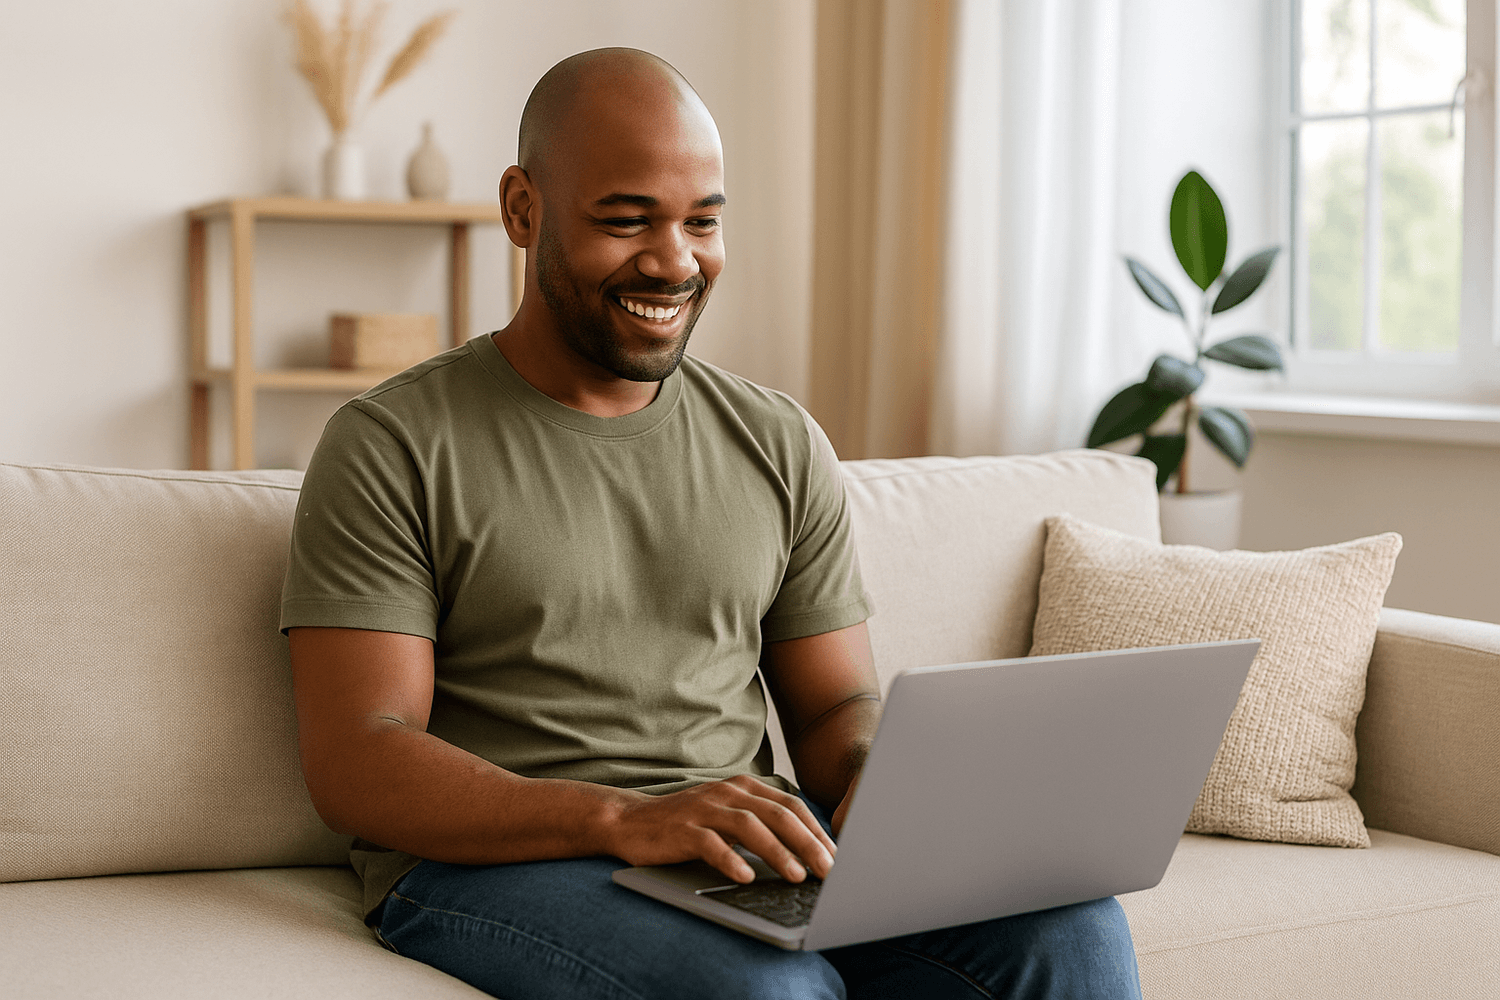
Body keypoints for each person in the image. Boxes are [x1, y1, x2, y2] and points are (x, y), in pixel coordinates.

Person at [281, 46, 1143, 1000]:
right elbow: (359, 754)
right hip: (495, 867)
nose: (675, 260)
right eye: (626, 221)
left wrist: (876, 780)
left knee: (1068, 931)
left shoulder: (776, 440)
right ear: (523, 210)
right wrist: (621, 819)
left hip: (738, 850)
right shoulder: (390, 443)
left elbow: (829, 708)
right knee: (765, 992)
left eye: (702, 221)